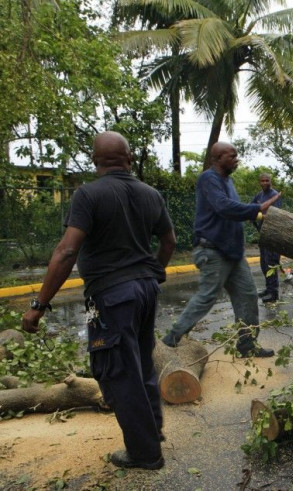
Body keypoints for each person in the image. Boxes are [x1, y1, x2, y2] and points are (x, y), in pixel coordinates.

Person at [21, 131, 177, 471]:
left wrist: (39, 305)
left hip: (112, 296)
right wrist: (154, 274)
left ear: (95, 161)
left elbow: (66, 250)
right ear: (130, 158)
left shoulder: (88, 195)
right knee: (142, 364)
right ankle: (153, 432)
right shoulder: (151, 194)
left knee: (119, 373)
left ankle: (145, 453)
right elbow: (168, 242)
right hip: (145, 291)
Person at [161, 142, 281, 357]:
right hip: (213, 250)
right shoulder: (209, 179)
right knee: (207, 296)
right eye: (232, 156)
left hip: (233, 253)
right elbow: (223, 207)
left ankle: (247, 345)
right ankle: (170, 340)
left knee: (248, 295)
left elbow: (234, 210)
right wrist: (257, 209)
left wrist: (255, 213)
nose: (236, 159)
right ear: (217, 158)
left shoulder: (229, 181)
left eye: (236, 156)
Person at [251, 173, 282, 303]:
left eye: (267, 180)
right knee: (264, 264)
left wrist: (258, 215)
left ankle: (273, 293)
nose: (264, 183)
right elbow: (250, 207)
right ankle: (268, 289)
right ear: (259, 182)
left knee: (271, 263)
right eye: (262, 181)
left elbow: (274, 216)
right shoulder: (259, 195)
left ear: (271, 181)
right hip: (263, 234)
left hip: (273, 234)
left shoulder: (274, 195)